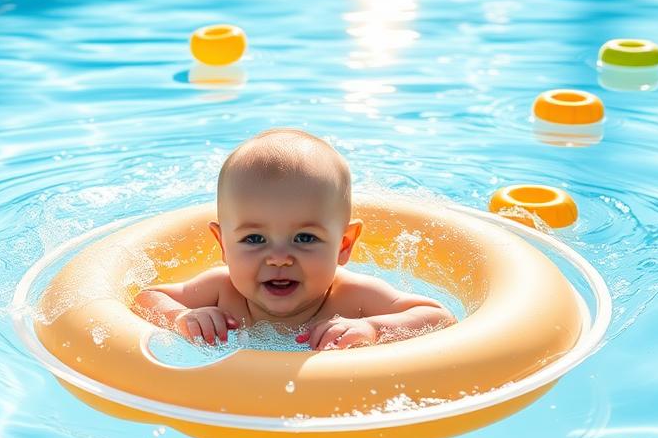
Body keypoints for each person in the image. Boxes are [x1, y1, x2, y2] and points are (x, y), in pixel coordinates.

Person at [134, 129, 455, 350]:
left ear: (343, 245)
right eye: (254, 238)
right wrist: (182, 318)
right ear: (222, 245)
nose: (279, 257)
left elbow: (440, 317)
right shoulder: (221, 291)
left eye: (304, 237)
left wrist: (373, 329)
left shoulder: (354, 297)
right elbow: (146, 299)